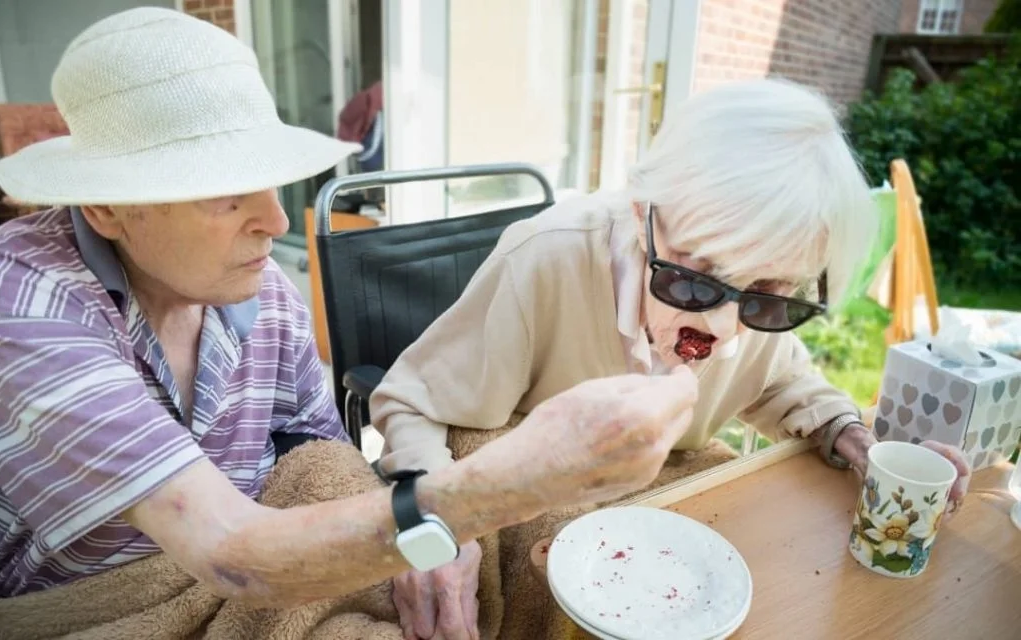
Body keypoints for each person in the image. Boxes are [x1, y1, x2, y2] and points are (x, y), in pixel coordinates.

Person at [0, 6, 702, 611]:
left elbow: (314, 446)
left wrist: (427, 539)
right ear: (107, 206)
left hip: (261, 555)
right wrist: (509, 483)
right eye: (223, 192)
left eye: (271, 184)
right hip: (102, 599)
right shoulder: (25, 311)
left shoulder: (263, 290)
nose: (275, 221)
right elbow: (229, 551)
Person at [369, 78, 974, 638]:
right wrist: (431, 529)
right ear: (642, 215)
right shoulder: (545, 260)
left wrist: (858, 442)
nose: (721, 324)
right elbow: (410, 402)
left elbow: (782, 380)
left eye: (767, 298)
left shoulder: (755, 297)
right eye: (694, 280)